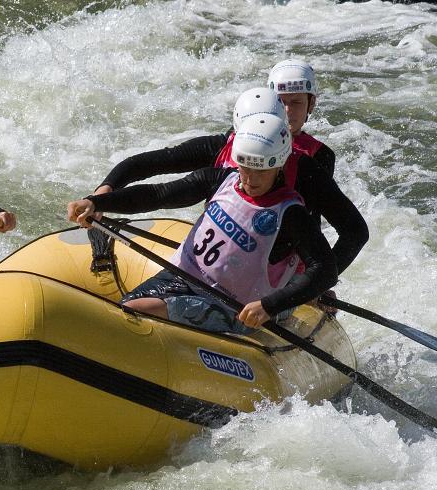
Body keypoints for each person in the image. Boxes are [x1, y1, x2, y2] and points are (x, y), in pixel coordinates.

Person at [68, 114, 338, 333]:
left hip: (234, 309)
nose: (251, 178)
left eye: (262, 169)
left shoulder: (290, 213)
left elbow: (324, 269)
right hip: (179, 278)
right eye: (245, 165)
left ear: (280, 165)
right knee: (121, 309)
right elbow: (158, 194)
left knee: (136, 311)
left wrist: (270, 306)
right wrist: (98, 203)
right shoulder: (220, 179)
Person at [94, 76, 368, 277]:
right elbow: (153, 173)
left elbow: (344, 229)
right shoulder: (220, 147)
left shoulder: (308, 167)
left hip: (275, 270)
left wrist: (320, 280)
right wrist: (104, 194)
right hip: (225, 253)